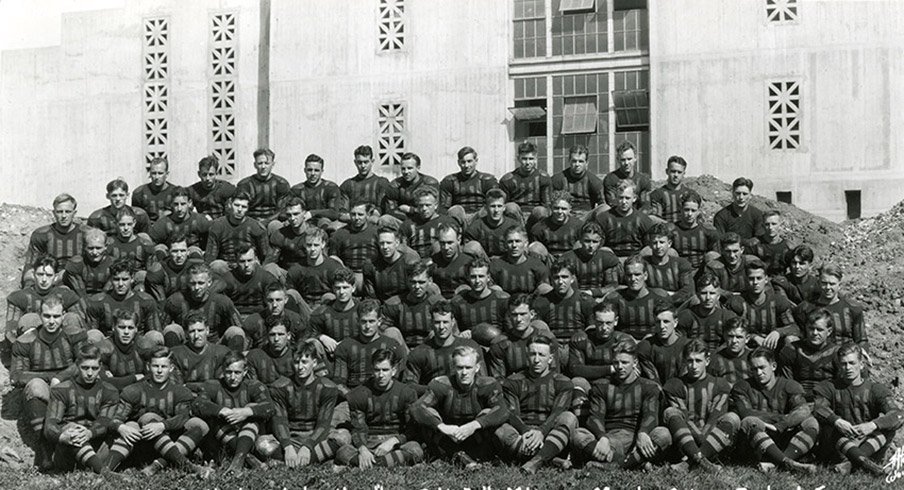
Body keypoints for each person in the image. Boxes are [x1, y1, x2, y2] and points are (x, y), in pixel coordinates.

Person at [105, 347, 212, 477]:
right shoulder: (134, 390)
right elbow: (113, 419)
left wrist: (162, 426)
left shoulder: (180, 391)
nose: (160, 371)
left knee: (199, 424)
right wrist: (121, 427)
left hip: (170, 443)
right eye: (156, 366)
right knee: (146, 418)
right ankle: (188, 465)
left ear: (171, 368)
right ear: (148, 366)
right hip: (142, 443)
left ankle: (158, 465)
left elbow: (183, 417)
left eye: (164, 366)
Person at [11, 295, 89, 468]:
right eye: (47, 316)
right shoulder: (26, 340)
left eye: (56, 316)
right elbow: (16, 376)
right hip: (45, 391)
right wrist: (51, 378)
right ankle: (44, 447)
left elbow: (85, 361)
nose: (51, 321)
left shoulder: (75, 334)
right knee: (35, 385)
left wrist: (60, 378)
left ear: (63, 316)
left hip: (71, 389)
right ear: (40, 315)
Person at [569, 340, 672, 470]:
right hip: (612, 440)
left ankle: (615, 465)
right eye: (616, 362)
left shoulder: (649, 387)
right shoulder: (602, 386)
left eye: (624, 362)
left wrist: (643, 432)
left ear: (635, 363)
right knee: (578, 435)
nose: (620, 367)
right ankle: (634, 463)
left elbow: (650, 415)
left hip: (636, 439)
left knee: (664, 434)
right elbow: (595, 417)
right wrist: (602, 437)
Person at [410, 345, 509, 469]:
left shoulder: (488, 385)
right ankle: (451, 458)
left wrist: (473, 425)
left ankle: (474, 459)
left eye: (468, 368)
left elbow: (503, 410)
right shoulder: (441, 385)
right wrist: (442, 427)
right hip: (448, 438)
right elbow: (416, 408)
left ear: (477, 367)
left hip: (477, 440)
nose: (464, 373)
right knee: (428, 413)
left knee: (489, 412)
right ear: (453, 367)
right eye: (460, 368)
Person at [813, 343, 903, 476]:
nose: (848, 367)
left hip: (867, 442)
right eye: (843, 364)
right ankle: (863, 464)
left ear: (861, 365)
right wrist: (837, 421)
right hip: (838, 445)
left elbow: (898, 414)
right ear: (839, 366)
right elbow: (818, 408)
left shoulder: (875, 389)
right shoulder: (828, 387)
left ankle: (852, 463)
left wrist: (872, 425)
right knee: (829, 425)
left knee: (888, 427)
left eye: (852, 363)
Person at [256, 342, 352, 467]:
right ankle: (315, 461)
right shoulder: (280, 386)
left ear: (315, 363)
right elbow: (280, 421)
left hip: (316, 437)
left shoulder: (327, 387)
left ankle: (289, 462)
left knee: (343, 437)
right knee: (262, 444)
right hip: (290, 436)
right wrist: (288, 446)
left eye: (304, 362)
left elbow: (323, 424)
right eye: (296, 362)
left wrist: (308, 446)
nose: (300, 367)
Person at [729, 347, 819, 474]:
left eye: (762, 367)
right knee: (750, 421)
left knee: (811, 422)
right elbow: (745, 413)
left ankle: (775, 463)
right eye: (754, 369)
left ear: (773, 366)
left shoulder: (790, 385)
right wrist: (781, 419)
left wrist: (781, 425)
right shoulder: (742, 386)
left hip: (781, 436)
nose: (759, 372)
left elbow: (803, 409)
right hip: (754, 442)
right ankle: (788, 463)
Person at [496, 335, 576, 473]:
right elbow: (512, 413)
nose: (537, 360)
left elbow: (557, 414)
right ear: (527, 356)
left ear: (550, 358)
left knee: (569, 417)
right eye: (533, 354)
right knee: (500, 426)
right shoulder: (513, 382)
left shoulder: (563, 383)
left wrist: (541, 432)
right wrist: (525, 431)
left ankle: (536, 461)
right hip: (521, 434)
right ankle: (549, 459)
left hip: (549, 432)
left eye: (542, 355)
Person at [335, 349, 424, 468]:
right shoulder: (359, 394)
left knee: (415, 449)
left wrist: (394, 441)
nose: (381, 375)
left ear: (394, 370)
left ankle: (370, 465)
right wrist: (363, 449)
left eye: (385, 370)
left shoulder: (407, 393)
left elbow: (412, 428)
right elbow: (359, 428)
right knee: (343, 452)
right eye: (377, 370)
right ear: (372, 370)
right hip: (370, 441)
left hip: (396, 442)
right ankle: (385, 463)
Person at [661, 339, 738, 472]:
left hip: (712, 443)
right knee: (670, 412)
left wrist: (703, 441)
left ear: (707, 361)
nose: (694, 366)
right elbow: (684, 418)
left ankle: (689, 464)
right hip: (684, 443)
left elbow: (714, 418)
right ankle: (702, 462)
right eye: (690, 361)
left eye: (698, 361)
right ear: (685, 361)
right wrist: (697, 441)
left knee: (733, 417)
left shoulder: (719, 384)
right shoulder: (676, 385)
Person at [43, 344, 120, 474]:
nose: (90, 373)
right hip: (68, 451)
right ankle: (104, 472)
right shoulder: (61, 390)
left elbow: (104, 421)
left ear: (100, 367)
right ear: (77, 365)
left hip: (97, 446)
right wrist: (63, 437)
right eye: (85, 368)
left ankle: (98, 467)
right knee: (72, 429)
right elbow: (50, 424)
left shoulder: (109, 391)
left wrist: (89, 433)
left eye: (94, 368)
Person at [192, 351, 275, 471]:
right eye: (228, 372)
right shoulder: (213, 385)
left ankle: (239, 458)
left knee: (252, 409)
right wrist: (221, 410)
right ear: (222, 370)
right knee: (213, 417)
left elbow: (270, 407)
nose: (232, 377)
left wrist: (245, 412)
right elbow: (197, 404)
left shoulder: (254, 386)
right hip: (225, 438)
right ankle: (245, 458)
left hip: (252, 437)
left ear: (245, 372)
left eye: (237, 373)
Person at [404, 301, 485, 393]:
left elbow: (483, 380)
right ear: (431, 323)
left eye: (445, 322)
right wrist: (434, 389)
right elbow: (408, 385)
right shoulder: (419, 353)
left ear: (453, 322)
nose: (441, 327)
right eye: (437, 322)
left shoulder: (471, 347)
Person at [331, 300, 405, 400]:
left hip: (385, 397)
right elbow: (339, 383)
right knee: (338, 415)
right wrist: (353, 397)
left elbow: (398, 379)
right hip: (354, 397)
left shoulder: (391, 345)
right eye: (363, 321)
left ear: (379, 321)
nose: (367, 326)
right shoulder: (345, 346)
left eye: (371, 321)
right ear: (357, 321)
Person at [161, 263, 245, 351]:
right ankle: (172, 361)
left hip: (215, 348)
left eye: (201, 283)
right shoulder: (175, 300)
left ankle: (234, 362)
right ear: (187, 283)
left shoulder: (222, 302)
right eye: (193, 283)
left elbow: (240, 328)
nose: (196, 287)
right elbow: (160, 329)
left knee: (236, 331)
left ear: (209, 282)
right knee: (171, 329)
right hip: (185, 348)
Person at [6, 256, 85, 344]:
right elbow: (10, 333)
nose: (44, 279)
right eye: (40, 274)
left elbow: (82, 324)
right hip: (32, 349)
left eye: (49, 275)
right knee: (29, 319)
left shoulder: (67, 295)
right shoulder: (18, 297)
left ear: (55, 277)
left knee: (71, 318)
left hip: (63, 346)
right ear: (33, 274)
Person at [724, 259, 797, 350]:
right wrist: (753, 337)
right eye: (751, 278)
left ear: (766, 279)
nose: (755, 282)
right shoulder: (737, 302)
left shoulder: (778, 301)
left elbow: (794, 328)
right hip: (746, 348)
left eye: (759, 278)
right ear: (746, 280)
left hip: (772, 347)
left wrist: (778, 332)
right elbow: (730, 331)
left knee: (792, 339)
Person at [85, 258, 161, 343]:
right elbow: (91, 332)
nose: (120, 284)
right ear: (111, 280)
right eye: (116, 279)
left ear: (132, 279)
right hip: (109, 346)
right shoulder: (98, 302)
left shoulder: (146, 301)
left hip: (138, 345)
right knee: (92, 335)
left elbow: (155, 331)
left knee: (155, 336)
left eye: (125, 279)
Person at [793, 264, 867, 348]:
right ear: (818, 282)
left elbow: (862, 340)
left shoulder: (853, 308)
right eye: (824, 283)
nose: (828, 287)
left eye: (832, 284)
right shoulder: (805, 308)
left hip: (843, 356)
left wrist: (861, 353)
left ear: (840, 284)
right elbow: (799, 335)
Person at [487, 294, 559, 379]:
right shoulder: (499, 344)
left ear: (532, 314)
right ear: (509, 316)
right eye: (514, 314)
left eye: (523, 314)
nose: (518, 319)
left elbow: (555, 373)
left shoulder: (547, 338)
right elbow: (498, 379)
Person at [22, 193, 85, 287]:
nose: (64, 216)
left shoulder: (85, 233)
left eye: (67, 211)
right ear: (53, 213)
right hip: (49, 279)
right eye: (59, 212)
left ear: (74, 213)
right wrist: (29, 286)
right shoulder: (41, 234)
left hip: (78, 280)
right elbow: (31, 264)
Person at [777, 309, 841, 400]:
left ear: (829, 331)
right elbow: (786, 383)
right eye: (811, 328)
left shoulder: (836, 353)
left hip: (827, 399)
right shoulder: (791, 350)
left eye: (819, 330)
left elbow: (840, 385)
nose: (815, 333)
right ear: (806, 328)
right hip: (798, 399)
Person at [568, 302, 635, 386]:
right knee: (577, 381)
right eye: (600, 323)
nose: (604, 328)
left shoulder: (624, 341)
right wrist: (610, 369)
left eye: (608, 323)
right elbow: (575, 369)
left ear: (616, 321)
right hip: (588, 384)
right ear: (593, 320)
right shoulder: (580, 340)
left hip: (616, 385)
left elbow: (632, 371)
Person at [381, 262, 444, 349]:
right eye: (413, 282)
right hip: (403, 349)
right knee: (391, 332)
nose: (417, 286)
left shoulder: (438, 303)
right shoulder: (394, 304)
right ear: (407, 281)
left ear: (430, 281)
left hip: (430, 350)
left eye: (421, 282)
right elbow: (382, 331)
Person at [205, 192, 270, 276]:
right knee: (216, 265)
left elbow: (265, 255)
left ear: (248, 209)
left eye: (244, 207)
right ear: (230, 205)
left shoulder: (256, 227)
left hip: (249, 266)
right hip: (227, 268)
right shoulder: (218, 226)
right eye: (236, 205)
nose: (239, 209)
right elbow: (210, 256)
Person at [531, 260, 594, 346]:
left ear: (572, 279)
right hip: (552, 346)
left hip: (578, 346)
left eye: (564, 277)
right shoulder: (542, 302)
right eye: (556, 278)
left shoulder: (585, 301)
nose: (560, 282)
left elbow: (592, 329)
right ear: (551, 280)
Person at [441, 146, 506, 228]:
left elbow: (495, 202)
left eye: (469, 161)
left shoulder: (487, 180)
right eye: (463, 162)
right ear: (458, 162)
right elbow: (443, 207)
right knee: (455, 210)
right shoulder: (450, 180)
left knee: (487, 210)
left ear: (476, 161)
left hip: (480, 215)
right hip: (460, 217)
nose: (466, 165)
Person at [611, 256, 670, 341]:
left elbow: (671, 327)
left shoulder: (661, 298)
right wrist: (624, 337)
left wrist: (652, 337)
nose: (633, 279)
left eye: (637, 274)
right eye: (629, 275)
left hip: (654, 343)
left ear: (645, 275)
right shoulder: (615, 298)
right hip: (623, 345)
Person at [170, 313, 233, 391]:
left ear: (207, 330)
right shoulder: (176, 354)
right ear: (186, 333)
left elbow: (220, 385)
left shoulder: (222, 353)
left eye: (200, 330)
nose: (196, 336)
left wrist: (189, 385)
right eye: (192, 331)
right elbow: (176, 387)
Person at [676, 272, 738, 352]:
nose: (708, 297)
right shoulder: (686, 315)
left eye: (712, 293)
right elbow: (679, 343)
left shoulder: (727, 317)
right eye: (704, 293)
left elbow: (733, 341)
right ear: (697, 295)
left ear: (718, 296)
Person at [285, 228, 344, 309]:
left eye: (316, 245)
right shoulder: (296, 269)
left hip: (327, 309)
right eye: (309, 245)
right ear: (304, 245)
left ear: (323, 244)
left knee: (329, 297)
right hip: (305, 308)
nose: (312, 249)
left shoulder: (333, 267)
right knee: (291, 293)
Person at [592, 180, 654, 257]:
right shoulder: (603, 218)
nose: (624, 202)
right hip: (612, 259)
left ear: (634, 198)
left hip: (636, 259)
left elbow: (650, 244)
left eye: (627, 198)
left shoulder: (644, 220)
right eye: (621, 197)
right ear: (615, 197)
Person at [450, 258, 510, 338]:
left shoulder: (502, 300)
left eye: (481, 276)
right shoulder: (458, 302)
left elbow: (511, 329)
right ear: (468, 278)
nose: (477, 281)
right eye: (473, 277)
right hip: (469, 346)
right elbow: (452, 331)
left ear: (488, 278)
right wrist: (461, 335)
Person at [559, 222, 620, 299]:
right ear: (580, 240)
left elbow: (612, 286)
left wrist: (593, 293)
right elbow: (567, 286)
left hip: (601, 297)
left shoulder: (607, 258)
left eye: (595, 242)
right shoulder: (568, 258)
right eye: (587, 241)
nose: (591, 246)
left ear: (600, 242)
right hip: (575, 297)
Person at [328, 202, 379, 292]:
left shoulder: (376, 232)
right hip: (348, 275)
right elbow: (332, 258)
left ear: (367, 215)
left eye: (360, 214)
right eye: (353, 214)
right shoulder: (339, 234)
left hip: (372, 275)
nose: (356, 218)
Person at [499, 141, 552, 228]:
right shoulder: (507, 179)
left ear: (535, 159)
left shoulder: (544, 178)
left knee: (541, 211)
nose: (527, 162)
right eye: (524, 159)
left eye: (531, 159)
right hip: (515, 215)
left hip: (535, 215)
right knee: (510, 207)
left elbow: (546, 204)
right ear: (518, 158)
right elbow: (503, 204)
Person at [242, 283, 310, 349]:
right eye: (270, 300)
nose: (274, 305)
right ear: (265, 300)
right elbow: (244, 352)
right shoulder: (253, 321)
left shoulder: (295, 320)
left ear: (286, 300)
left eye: (278, 300)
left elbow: (302, 347)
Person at [236, 148, 291, 230]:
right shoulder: (245, 185)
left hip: (273, 221)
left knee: (275, 226)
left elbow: (282, 210)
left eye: (267, 163)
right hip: (250, 221)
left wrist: (266, 222)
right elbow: (241, 209)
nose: (263, 166)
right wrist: (253, 223)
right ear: (255, 165)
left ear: (273, 164)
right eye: (260, 163)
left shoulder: (281, 184)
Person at [220, 243, 280, 318]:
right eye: (242, 261)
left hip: (260, 317)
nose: (246, 265)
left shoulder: (266, 278)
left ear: (256, 259)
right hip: (235, 318)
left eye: (250, 260)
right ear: (236, 261)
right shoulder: (228, 279)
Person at [637, 301, 691, 384]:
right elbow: (652, 380)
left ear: (675, 322)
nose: (662, 326)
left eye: (666, 321)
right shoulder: (646, 347)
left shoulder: (688, 346)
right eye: (658, 322)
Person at [399, 187, 459, 259]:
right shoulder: (407, 225)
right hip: (415, 262)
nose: (424, 209)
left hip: (439, 261)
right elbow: (403, 248)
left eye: (428, 205)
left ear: (436, 205)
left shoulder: (447, 222)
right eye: (421, 205)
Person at [362, 227, 420, 301]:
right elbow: (370, 296)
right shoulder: (371, 266)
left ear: (397, 243)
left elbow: (416, 290)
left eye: (389, 243)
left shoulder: (410, 262)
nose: (385, 247)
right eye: (382, 243)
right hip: (383, 306)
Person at [642, 223, 695, 306]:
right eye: (654, 242)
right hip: (651, 306)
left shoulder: (681, 264)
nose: (658, 246)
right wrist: (663, 294)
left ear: (669, 243)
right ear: (650, 244)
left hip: (676, 305)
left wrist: (667, 300)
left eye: (662, 242)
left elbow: (688, 290)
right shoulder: (643, 264)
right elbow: (641, 289)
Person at [339, 145, 393, 224]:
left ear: (372, 161)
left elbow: (380, 208)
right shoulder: (347, 185)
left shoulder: (381, 183)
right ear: (355, 162)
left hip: (374, 221)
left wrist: (369, 217)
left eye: (366, 162)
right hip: (352, 220)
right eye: (360, 162)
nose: (363, 166)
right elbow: (342, 211)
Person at [382, 152, 440, 225]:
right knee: (385, 219)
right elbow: (390, 211)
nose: (406, 172)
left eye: (410, 168)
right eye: (403, 169)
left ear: (418, 168)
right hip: (404, 221)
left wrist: (411, 210)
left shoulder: (430, 183)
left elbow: (435, 209)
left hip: (426, 220)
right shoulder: (395, 185)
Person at [489, 227, 551, 296]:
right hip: (505, 303)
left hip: (531, 302)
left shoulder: (537, 265)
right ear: (505, 244)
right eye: (510, 242)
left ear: (525, 244)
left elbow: (544, 287)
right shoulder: (496, 265)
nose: (514, 245)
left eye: (518, 241)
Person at [463, 189, 522, 259]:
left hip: (508, 262)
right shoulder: (476, 227)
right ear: (486, 207)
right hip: (484, 263)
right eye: (493, 206)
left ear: (504, 208)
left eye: (499, 206)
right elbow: (467, 249)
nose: (496, 210)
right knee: (472, 246)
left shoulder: (513, 226)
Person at [147, 186, 210, 252]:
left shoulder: (200, 220)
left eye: (183, 204)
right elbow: (150, 243)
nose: (179, 208)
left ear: (189, 203)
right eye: (176, 204)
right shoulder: (163, 223)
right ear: (171, 204)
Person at [288, 153, 343, 229]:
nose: (313, 174)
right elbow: (287, 210)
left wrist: (312, 213)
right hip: (302, 223)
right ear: (305, 170)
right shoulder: (297, 189)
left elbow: (334, 213)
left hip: (324, 224)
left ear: (322, 171)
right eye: (309, 170)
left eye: (316, 170)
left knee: (328, 224)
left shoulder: (331, 188)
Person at [106, 206, 157, 285]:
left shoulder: (145, 245)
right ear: (116, 224)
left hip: (138, 282)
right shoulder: (109, 244)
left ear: (134, 223)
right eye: (122, 225)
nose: (126, 228)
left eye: (129, 224)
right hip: (116, 282)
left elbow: (152, 272)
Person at [550, 145, 605, 217]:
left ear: (587, 162)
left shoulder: (594, 181)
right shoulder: (557, 179)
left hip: (586, 217)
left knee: (605, 208)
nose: (577, 164)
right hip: (564, 216)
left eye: (581, 161)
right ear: (569, 160)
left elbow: (602, 204)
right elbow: (548, 202)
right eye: (574, 161)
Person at [144, 234, 198, 304]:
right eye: (175, 251)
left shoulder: (195, 267)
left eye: (183, 251)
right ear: (168, 252)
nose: (179, 255)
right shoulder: (158, 270)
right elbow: (161, 302)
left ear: (188, 252)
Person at [672, 191, 721, 269]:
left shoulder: (709, 231)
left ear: (698, 211)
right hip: (679, 271)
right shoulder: (672, 230)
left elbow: (717, 255)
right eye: (686, 210)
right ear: (681, 209)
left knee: (713, 255)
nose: (690, 214)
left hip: (702, 272)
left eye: (693, 210)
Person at [528, 191, 583, 259]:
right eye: (556, 208)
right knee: (534, 247)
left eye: (564, 209)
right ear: (551, 208)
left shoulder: (579, 226)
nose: (560, 212)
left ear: (570, 209)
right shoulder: (539, 228)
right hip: (549, 260)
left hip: (572, 259)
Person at [87, 178, 151, 237]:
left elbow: (146, 238)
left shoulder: (139, 215)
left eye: (121, 195)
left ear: (127, 195)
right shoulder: (96, 218)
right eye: (114, 195)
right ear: (108, 196)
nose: (118, 199)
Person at [63, 227, 115, 298]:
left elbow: (106, 293)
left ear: (105, 246)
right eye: (90, 248)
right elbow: (80, 293)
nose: (94, 252)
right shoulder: (75, 264)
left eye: (98, 248)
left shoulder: (113, 264)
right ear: (84, 247)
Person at [428, 224, 476, 299]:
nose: (446, 247)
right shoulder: (434, 262)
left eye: (450, 243)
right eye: (442, 243)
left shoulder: (469, 263)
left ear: (459, 240)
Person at [602, 140, 652, 212]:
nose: (626, 163)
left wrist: (637, 219)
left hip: (639, 217)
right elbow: (612, 204)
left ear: (635, 158)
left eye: (629, 159)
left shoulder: (643, 180)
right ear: (618, 160)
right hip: (616, 217)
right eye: (623, 160)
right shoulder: (610, 179)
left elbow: (646, 206)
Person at [267, 196, 312, 275]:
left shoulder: (315, 234)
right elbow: (270, 261)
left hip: (309, 275)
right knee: (269, 267)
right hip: (287, 276)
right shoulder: (279, 235)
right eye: (289, 215)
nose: (292, 218)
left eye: (296, 214)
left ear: (304, 214)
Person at [188, 154, 236, 220]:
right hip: (202, 224)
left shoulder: (225, 189)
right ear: (199, 174)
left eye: (211, 174)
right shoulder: (193, 190)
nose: (208, 178)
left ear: (216, 173)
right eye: (204, 174)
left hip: (222, 225)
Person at [707, 317, 753, 386]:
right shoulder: (715, 359)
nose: (734, 341)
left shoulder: (753, 358)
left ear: (747, 338)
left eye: (739, 337)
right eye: (730, 336)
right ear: (725, 336)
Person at [132, 157, 179, 223]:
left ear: (167, 174)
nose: (157, 177)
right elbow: (136, 219)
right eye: (154, 173)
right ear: (150, 174)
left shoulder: (176, 192)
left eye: (160, 173)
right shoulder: (139, 193)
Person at [746, 210, 793, 275]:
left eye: (774, 224)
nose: (770, 228)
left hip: (781, 282)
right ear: (762, 225)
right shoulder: (753, 245)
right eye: (767, 224)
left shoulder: (788, 247)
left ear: (780, 224)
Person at [649, 156, 688, 224]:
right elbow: (653, 218)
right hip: (665, 231)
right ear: (667, 171)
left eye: (679, 172)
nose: (676, 175)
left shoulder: (689, 194)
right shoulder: (657, 194)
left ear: (683, 174)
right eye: (673, 171)